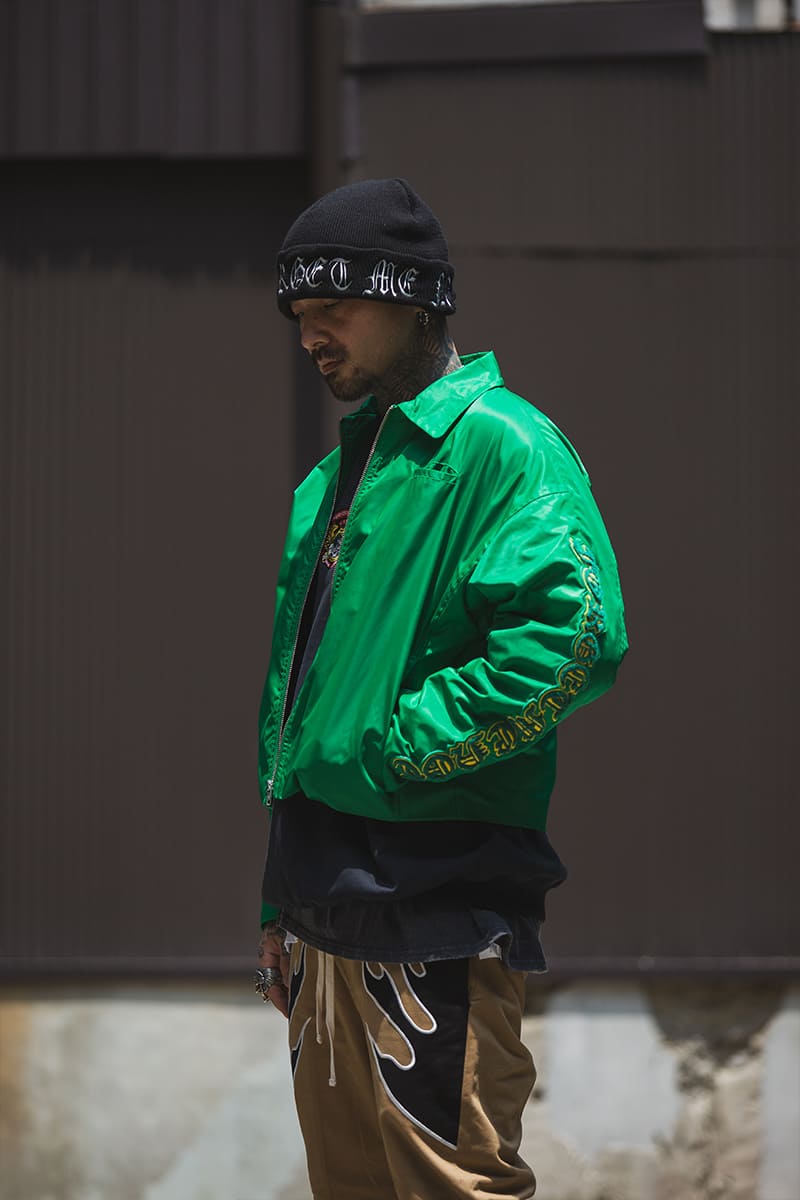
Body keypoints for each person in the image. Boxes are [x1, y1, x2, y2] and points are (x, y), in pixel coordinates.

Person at [254, 177, 627, 1200]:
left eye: (336, 307)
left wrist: (388, 745)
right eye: (300, 314)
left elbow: (573, 643)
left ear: (415, 299)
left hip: (436, 916)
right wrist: (276, 899)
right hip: (321, 915)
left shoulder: (504, 448)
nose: (311, 335)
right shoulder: (335, 480)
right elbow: (299, 707)